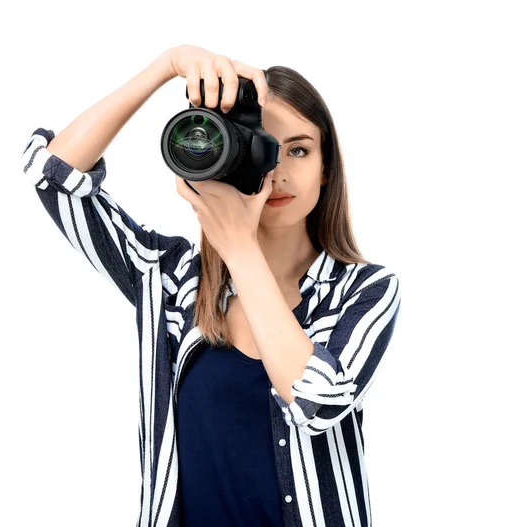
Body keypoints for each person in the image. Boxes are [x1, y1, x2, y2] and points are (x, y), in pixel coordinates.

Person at [20, 44, 402, 527]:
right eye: (261, 148)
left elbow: (318, 402)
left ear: (327, 168)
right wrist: (167, 65)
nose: (278, 171)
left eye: (299, 150)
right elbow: (52, 176)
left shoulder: (363, 288)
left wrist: (239, 248)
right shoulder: (172, 277)